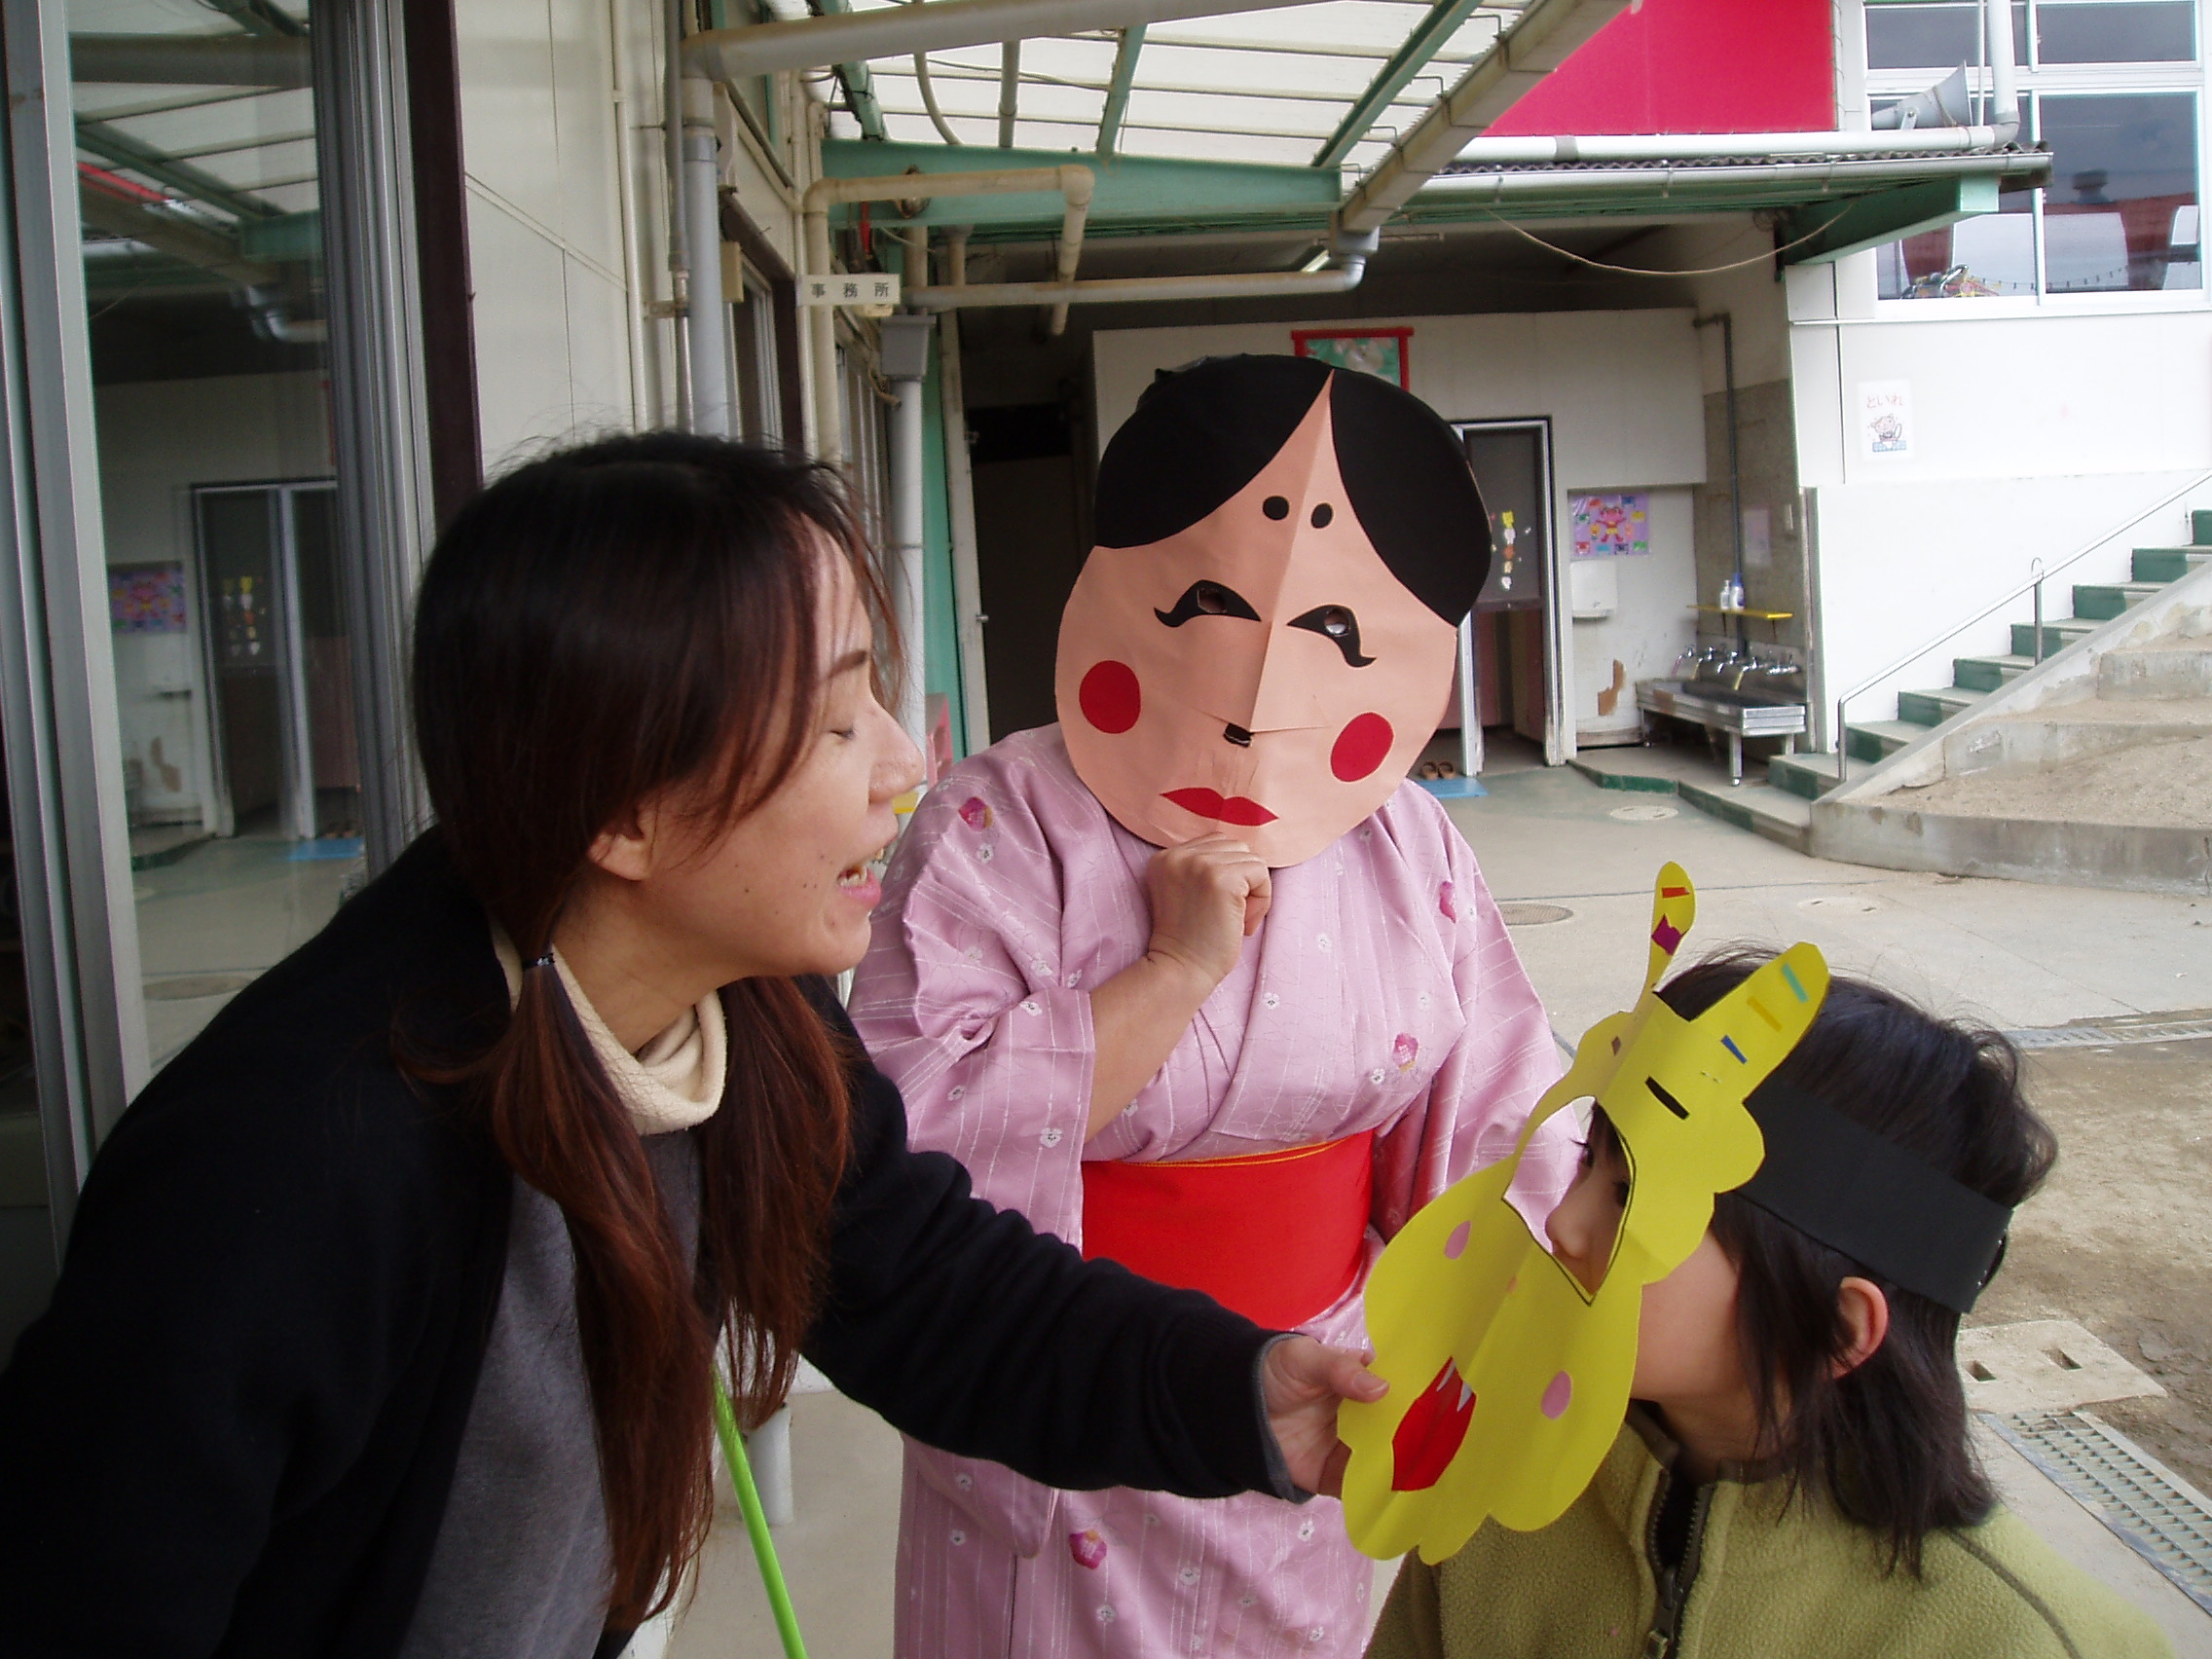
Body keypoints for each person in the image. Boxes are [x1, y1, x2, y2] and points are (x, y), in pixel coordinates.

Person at [0, 433, 1383, 1659]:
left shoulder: (748, 1016)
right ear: (624, 814)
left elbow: (932, 1292)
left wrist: (1239, 1394)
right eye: (834, 722)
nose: (903, 765)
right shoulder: (285, 1174)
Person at [851, 355, 1577, 1658]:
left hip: (1321, 1390)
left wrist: (1572, 1264)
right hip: (1060, 1383)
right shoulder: (1000, 817)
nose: (1259, 689)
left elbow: (1493, 1123)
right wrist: (1171, 975)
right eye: (1207, 606)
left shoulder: (1409, 840)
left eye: (1336, 635)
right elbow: (904, 1140)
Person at [1367, 954, 2174, 1659]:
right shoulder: (1497, 1499)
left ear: (1840, 1329)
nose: (1564, 1225)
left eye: (1628, 1196)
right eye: (1589, 1163)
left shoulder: (2021, 1640)